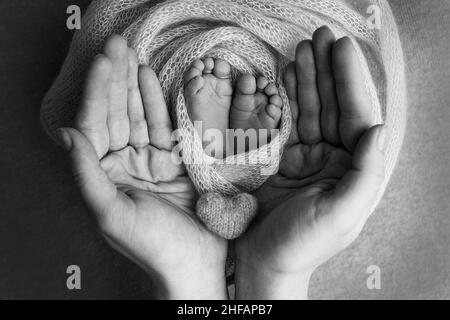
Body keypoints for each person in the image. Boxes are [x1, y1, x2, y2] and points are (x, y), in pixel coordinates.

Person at [56, 26, 386, 299]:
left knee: (354, 165)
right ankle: (231, 160)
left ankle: (216, 156)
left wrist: (188, 274)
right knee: (353, 164)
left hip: (204, 217)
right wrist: (276, 273)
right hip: (286, 200)